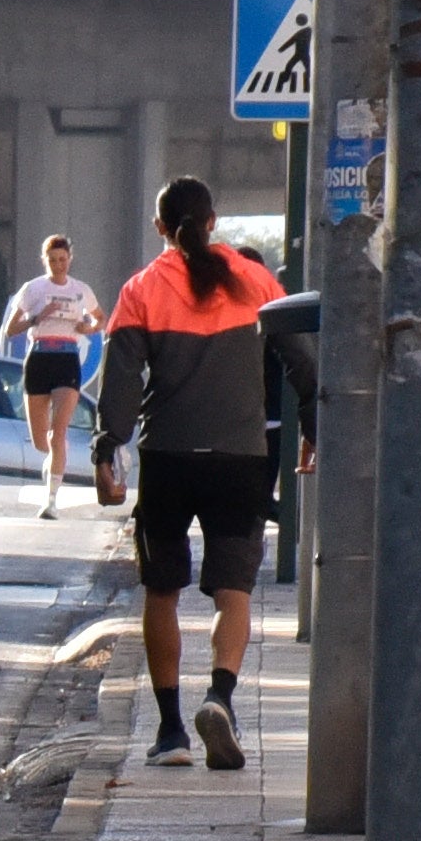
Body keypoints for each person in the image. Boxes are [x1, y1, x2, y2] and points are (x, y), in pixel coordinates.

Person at [93, 178, 297, 772]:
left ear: (161, 227)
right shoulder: (256, 280)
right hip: (241, 457)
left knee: (162, 590)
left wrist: (108, 447)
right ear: (215, 220)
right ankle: (221, 696)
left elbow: (122, 388)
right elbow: (299, 357)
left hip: (169, 458)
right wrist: (311, 417)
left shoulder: (140, 290)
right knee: (233, 591)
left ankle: (171, 730)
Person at [0, 235, 103, 518]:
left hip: (67, 359)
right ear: (45, 261)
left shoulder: (81, 290)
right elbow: (11, 329)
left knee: (59, 432)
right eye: (53, 260)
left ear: (70, 259)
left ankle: (51, 499)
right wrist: (37, 317)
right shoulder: (33, 289)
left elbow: (99, 318)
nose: (59, 265)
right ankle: (54, 456)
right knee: (40, 441)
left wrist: (87, 328)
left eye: (63, 259)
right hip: (39, 358)